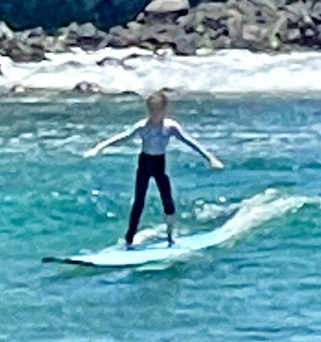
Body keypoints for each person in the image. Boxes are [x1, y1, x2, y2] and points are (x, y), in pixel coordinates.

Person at [83, 90, 223, 247]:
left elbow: (190, 142)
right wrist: (99, 148)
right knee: (139, 203)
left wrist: (210, 158)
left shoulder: (171, 127)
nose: (155, 115)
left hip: (159, 165)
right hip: (144, 164)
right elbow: (122, 138)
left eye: (158, 111)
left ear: (164, 110)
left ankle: (170, 237)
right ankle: (129, 239)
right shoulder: (143, 126)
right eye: (153, 111)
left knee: (168, 201)